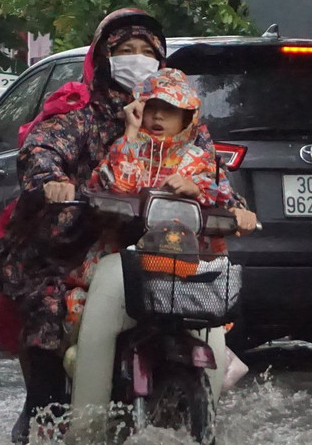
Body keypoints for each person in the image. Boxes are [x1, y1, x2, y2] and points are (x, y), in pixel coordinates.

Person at [0, 9, 257, 443]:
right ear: (102, 57)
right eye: (124, 51)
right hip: (83, 243)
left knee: (215, 311)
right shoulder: (79, 113)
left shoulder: (192, 132)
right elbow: (43, 150)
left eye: (146, 52)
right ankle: (44, 416)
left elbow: (215, 183)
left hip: (169, 247)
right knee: (49, 308)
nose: (136, 60)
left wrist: (236, 209)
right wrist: (53, 182)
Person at [63, 67, 224, 341]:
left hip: (182, 260)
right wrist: (131, 131)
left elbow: (222, 195)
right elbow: (117, 186)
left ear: (188, 116)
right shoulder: (126, 146)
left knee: (213, 328)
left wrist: (195, 189)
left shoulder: (199, 159)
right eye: (152, 107)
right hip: (120, 255)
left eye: (170, 109)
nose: (159, 116)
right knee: (78, 311)